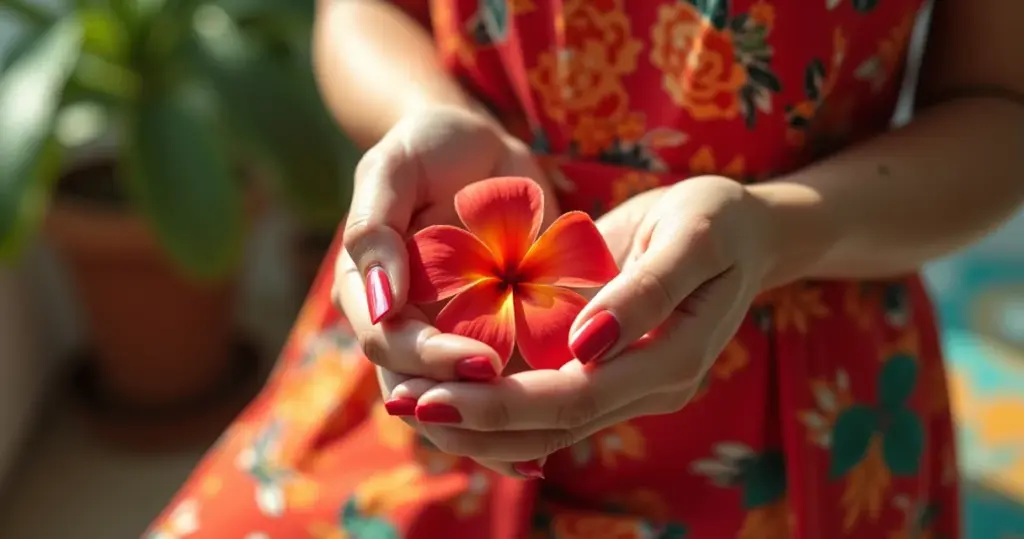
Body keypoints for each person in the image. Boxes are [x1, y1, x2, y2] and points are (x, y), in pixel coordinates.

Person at [147, 0, 1024, 537]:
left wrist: (777, 231)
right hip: (438, 321)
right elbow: (363, 9)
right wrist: (426, 113)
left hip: (792, 365)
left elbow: (998, 110)